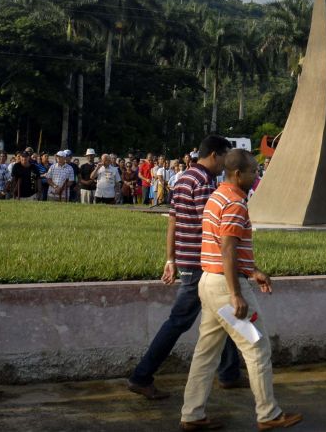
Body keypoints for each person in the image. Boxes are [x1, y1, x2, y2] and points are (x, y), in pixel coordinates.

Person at [180, 149, 302, 431]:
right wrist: (236, 293)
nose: (256, 175)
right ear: (238, 174)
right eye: (253, 171)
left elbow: (226, 247)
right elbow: (228, 248)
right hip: (225, 286)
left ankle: (192, 414)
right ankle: (269, 414)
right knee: (257, 347)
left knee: (206, 353)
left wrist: (253, 271)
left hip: (208, 282)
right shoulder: (235, 202)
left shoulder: (216, 196)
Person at [128, 135, 244, 399]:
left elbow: (173, 221)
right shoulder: (204, 183)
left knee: (222, 315)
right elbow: (214, 227)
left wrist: (171, 259)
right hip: (202, 263)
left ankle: (229, 373)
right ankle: (141, 375)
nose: (227, 164)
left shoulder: (183, 179)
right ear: (215, 155)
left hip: (187, 260)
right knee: (180, 321)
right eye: (225, 157)